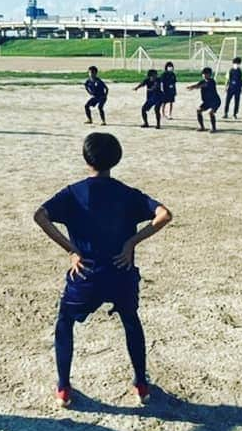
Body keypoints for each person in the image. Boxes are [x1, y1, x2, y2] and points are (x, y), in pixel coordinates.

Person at [33, 132, 172, 407]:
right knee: (131, 321)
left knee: (65, 323)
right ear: (116, 159)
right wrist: (132, 242)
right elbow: (164, 214)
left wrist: (71, 250)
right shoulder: (127, 193)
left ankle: (63, 388)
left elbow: (40, 216)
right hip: (121, 273)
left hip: (85, 274)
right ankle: (141, 385)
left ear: (87, 159)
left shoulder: (73, 193)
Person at [187, 67, 221, 132]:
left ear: (210, 74)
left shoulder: (212, 81)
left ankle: (214, 128)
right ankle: (202, 127)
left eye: (206, 74)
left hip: (215, 101)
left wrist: (193, 87)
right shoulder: (202, 81)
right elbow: (198, 84)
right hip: (207, 102)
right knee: (198, 110)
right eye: (203, 74)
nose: (204, 75)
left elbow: (202, 85)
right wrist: (192, 87)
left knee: (211, 113)